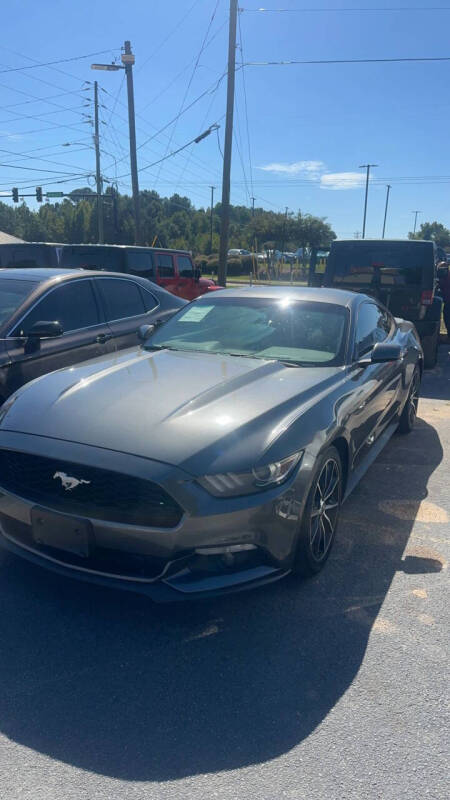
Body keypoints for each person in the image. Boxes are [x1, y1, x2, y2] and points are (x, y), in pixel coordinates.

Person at [437, 261, 450, 338]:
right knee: (447, 319)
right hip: (447, 303)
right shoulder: (444, 277)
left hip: (448, 303)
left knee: (447, 319)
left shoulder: (446, 278)